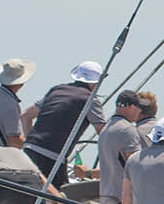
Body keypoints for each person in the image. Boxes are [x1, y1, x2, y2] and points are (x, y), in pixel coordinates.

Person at [20, 61, 107, 191]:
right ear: (95, 82)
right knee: (63, 199)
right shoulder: (90, 100)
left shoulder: (56, 90)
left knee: (29, 194)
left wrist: (30, 142)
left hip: (29, 150)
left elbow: (25, 116)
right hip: (52, 157)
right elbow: (104, 133)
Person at [0, 58, 35, 147]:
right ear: (22, 82)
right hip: (3, 154)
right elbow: (13, 140)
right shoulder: (10, 103)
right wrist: (33, 143)